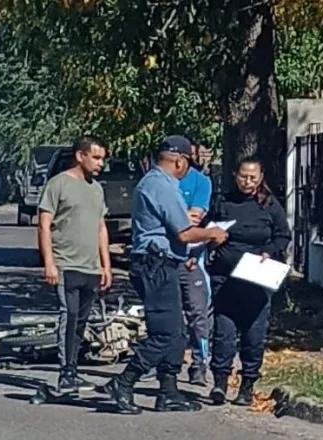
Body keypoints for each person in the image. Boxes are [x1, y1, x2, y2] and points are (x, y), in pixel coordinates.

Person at [100, 135, 228, 415]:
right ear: (180, 160)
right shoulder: (161, 185)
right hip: (155, 265)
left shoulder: (157, 183)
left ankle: (168, 391)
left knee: (177, 333)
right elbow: (183, 231)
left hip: (163, 263)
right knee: (165, 334)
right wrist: (212, 233)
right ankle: (123, 382)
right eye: (187, 162)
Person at [206, 157, 291, 407]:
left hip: (256, 279)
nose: (247, 181)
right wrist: (213, 238)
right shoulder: (223, 201)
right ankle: (219, 383)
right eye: (243, 176)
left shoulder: (269, 205)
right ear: (236, 175)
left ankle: (247, 385)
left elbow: (282, 236)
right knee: (224, 333)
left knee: (254, 335)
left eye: (253, 177)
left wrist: (268, 251)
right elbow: (207, 228)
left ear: (261, 177)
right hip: (225, 278)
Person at [37, 136, 113, 394]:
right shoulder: (58, 184)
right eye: (96, 157)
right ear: (80, 156)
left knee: (81, 320)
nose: (101, 163)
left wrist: (106, 265)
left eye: (103, 158)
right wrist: (49, 263)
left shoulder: (96, 189)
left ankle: (74, 370)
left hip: (91, 267)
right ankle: (65, 373)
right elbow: (44, 224)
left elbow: (101, 228)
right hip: (66, 265)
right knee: (68, 317)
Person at [179, 140, 214, 385]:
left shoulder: (201, 182)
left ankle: (199, 363)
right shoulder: (158, 182)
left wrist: (173, 216)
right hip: (162, 259)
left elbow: (195, 217)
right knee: (165, 314)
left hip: (193, 258)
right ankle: (164, 363)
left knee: (198, 313)